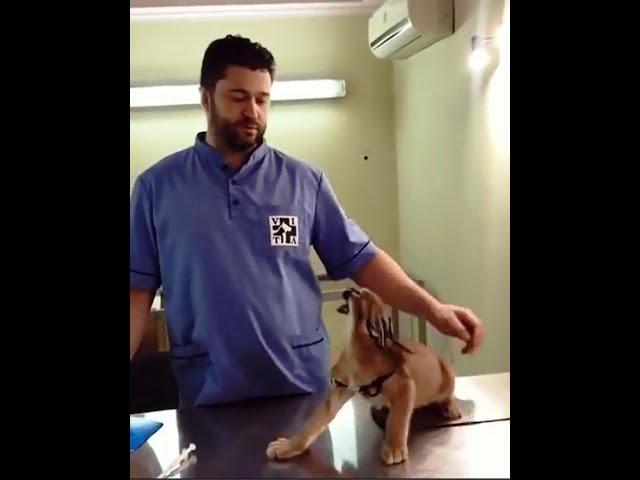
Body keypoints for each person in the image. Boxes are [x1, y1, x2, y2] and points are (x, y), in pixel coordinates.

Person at [130, 34, 484, 407]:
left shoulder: (303, 182)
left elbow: (362, 260)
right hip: (209, 393)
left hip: (301, 386)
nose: (252, 110)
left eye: (262, 99)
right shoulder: (157, 188)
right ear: (206, 98)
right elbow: (136, 293)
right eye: (238, 97)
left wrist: (435, 311)